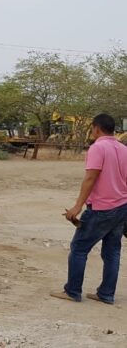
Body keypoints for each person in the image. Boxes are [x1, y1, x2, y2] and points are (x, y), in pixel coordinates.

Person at [51, 113, 127, 304]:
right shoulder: (123, 148)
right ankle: (106, 294)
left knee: (79, 248)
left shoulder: (97, 148)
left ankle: (72, 291)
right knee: (112, 252)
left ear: (96, 128)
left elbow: (90, 178)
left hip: (102, 208)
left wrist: (77, 206)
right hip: (121, 207)